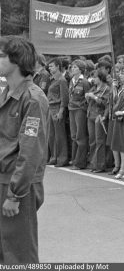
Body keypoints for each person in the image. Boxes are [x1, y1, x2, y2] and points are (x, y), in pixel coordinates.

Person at [0, 36, 49, 263]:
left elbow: (30, 152)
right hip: (4, 179)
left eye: (1, 55)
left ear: (17, 60)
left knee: (19, 255)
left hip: (17, 185)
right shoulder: (7, 93)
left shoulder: (33, 98)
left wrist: (15, 194)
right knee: (4, 249)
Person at [85, 69, 110, 173]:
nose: (93, 79)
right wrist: (88, 97)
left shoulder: (106, 89)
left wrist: (94, 97)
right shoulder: (94, 87)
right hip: (90, 114)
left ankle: (100, 165)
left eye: (95, 77)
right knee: (92, 141)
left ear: (101, 78)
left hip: (99, 116)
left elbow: (105, 103)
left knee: (100, 141)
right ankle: (93, 163)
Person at [46, 57, 69, 167]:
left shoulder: (62, 80)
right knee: (51, 135)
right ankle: (54, 157)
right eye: (49, 66)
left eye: (51, 66)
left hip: (57, 108)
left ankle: (62, 158)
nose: (49, 68)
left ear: (58, 67)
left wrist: (61, 111)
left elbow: (64, 98)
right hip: (50, 108)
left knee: (60, 135)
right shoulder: (53, 79)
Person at [68, 59, 91, 169]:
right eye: (72, 67)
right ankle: (75, 159)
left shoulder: (85, 82)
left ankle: (80, 162)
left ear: (81, 69)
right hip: (71, 108)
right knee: (73, 135)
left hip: (80, 110)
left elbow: (87, 98)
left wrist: (83, 108)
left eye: (75, 67)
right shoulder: (72, 80)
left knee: (80, 135)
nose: (73, 69)